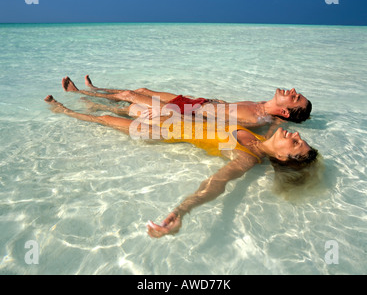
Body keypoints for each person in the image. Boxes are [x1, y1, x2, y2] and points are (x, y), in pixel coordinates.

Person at [44, 94, 318, 238]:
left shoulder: (247, 159)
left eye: (296, 144)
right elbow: (278, 119)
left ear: (283, 159)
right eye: (299, 136)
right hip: (172, 117)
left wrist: (181, 211)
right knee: (122, 107)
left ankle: (65, 111)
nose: (295, 136)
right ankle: (87, 100)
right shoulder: (263, 135)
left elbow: (216, 185)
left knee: (105, 119)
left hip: (163, 132)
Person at [61, 75, 312, 128]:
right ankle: (96, 89)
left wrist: (168, 114)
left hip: (189, 109)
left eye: (295, 97)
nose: (291, 90)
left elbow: (210, 120)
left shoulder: (257, 118)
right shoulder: (261, 106)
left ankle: (78, 94)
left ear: (286, 111)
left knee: (131, 99)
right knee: (141, 90)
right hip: (198, 101)